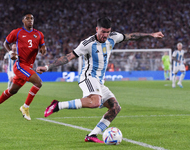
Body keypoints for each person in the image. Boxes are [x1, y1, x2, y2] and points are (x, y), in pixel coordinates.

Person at [36, 17, 164, 143]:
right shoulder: (87, 44)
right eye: (103, 32)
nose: (105, 35)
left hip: (99, 81)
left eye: (108, 32)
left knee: (115, 108)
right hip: (88, 77)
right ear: (97, 29)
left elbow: (131, 36)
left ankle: (92, 135)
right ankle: (58, 105)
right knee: (95, 102)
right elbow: (68, 57)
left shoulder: (113, 37)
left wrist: (151, 35)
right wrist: (47, 67)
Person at [0, 13, 47, 121]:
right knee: (38, 82)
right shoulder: (17, 32)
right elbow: (5, 43)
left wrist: (44, 48)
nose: (30, 20)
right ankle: (25, 107)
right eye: (27, 18)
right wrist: (11, 52)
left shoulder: (39, 34)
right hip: (20, 65)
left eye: (32, 18)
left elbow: (42, 45)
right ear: (23, 21)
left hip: (29, 66)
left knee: (12, 91)